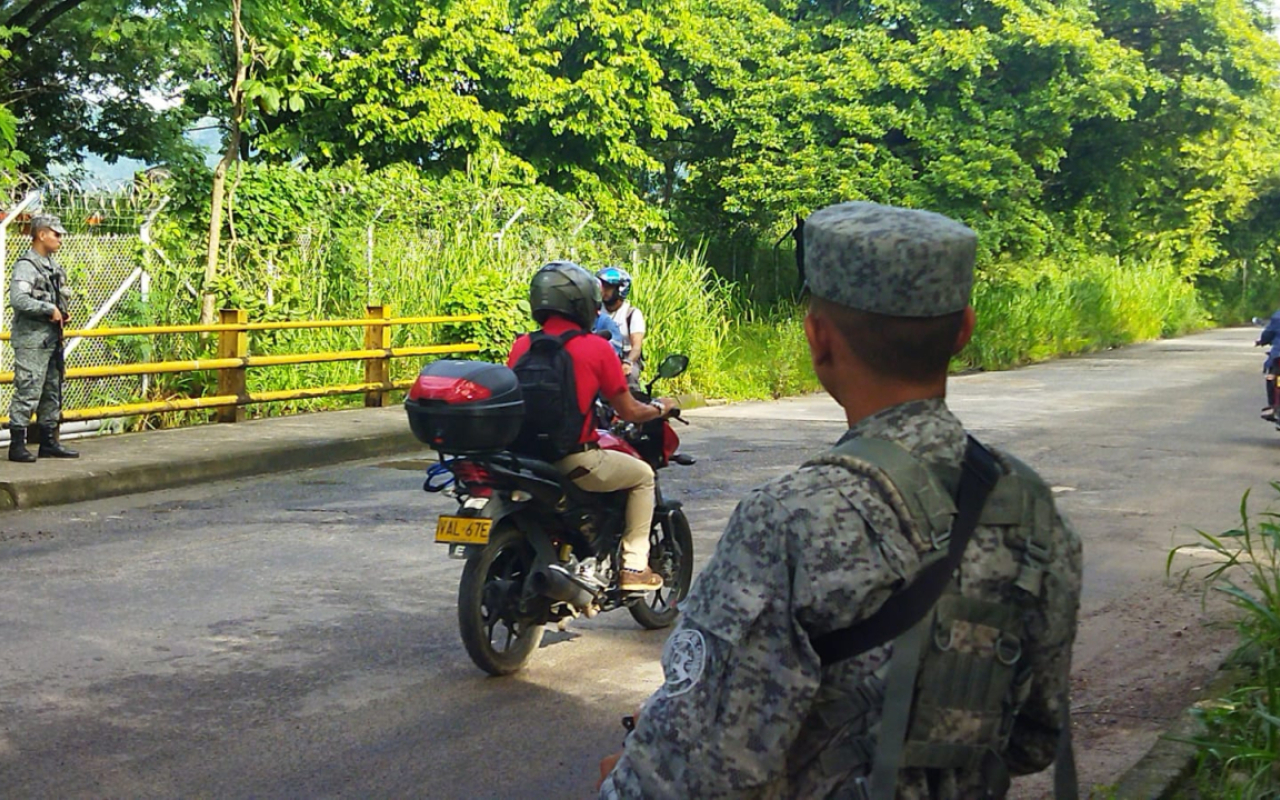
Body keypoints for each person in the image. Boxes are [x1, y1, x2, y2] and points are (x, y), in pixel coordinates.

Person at [597, 202, 1083, 798]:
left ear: (817, 337)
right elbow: (1035, 738)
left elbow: (699, 773)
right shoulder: (1031, 508)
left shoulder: (788, 520)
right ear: (963, 331)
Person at [508, 261, 678, 591]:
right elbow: (628, 410)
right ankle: (633, 566)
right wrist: (660, 407)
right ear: (582, 302)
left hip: (526, 460)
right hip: (573, 460)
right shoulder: (596, 347)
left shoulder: (522, 345)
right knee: (643, 476)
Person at [7, 214, 79, 463]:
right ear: (41, 235)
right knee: (28, 389)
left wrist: (61, 313)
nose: (60, 239)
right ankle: (17, 444)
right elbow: (19, 299)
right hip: (32, 340)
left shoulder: (52, 266)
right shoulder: (27, 266)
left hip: (51, 338)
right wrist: (48, 310)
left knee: (52, 389)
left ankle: (48, 440)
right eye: (56, 234)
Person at [596, 266, 646, 385]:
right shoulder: (595, 311)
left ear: (620, 289)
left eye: (608, 287)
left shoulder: (632, 314)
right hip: (600, 357)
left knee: (630, 378)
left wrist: (628, 362)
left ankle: (633, 401)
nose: (603, 291)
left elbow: (637, 346)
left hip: (625, 357)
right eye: (602, 287)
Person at [1257, 309, 1280, 421]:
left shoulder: (1278, 316)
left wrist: (1262, 341)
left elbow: (1267, 334)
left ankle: (1273, 405)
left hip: (1278, 356)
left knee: (1271, 377)